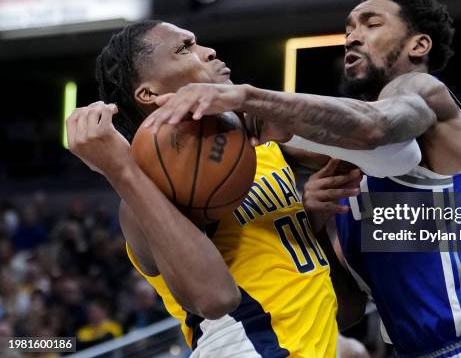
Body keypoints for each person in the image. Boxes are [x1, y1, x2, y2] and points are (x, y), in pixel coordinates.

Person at [143, 0, 461, 356]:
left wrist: (249, 99)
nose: (352, 35)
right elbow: (346, 309)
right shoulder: (342, 165)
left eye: (371, 23)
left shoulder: (425, 93)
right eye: (348, 27)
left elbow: (375, 126)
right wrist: (309, 219)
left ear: (419, 44)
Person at [66, 21, 339, 357]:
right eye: (185, 48)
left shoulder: (254, 144)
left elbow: (366, 145)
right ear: (148, 94)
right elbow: (215, 299)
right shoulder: (147, 189)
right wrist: (122, 170)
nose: (209, 52)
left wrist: (311, 220)